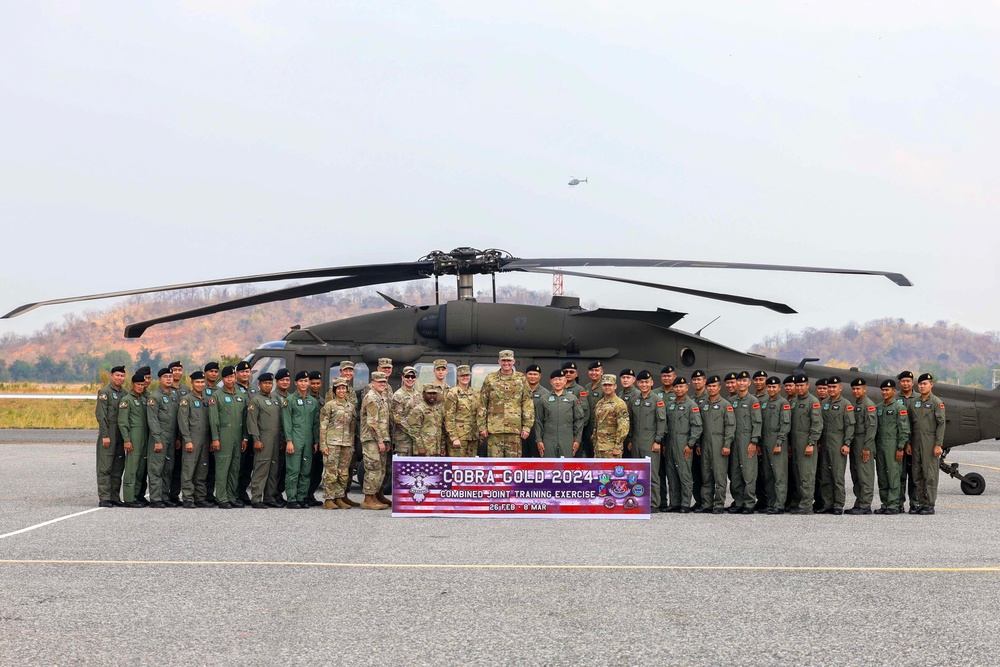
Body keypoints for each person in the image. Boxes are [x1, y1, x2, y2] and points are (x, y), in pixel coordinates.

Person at [479, 350, 534, 458]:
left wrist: (527, 427)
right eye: (503, 360)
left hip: (514, 431)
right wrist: (482, 426)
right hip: (494, 430)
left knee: (513, 466)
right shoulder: (490, 378)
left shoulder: (521, 378)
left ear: (513, 361)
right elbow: (482, 403)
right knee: (495, 466)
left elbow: (527, 403)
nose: (506, 363)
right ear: (499, 361)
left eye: (509, 361)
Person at [209, 365, 249, 509]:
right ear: (223, 379)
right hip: (223, 436)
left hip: (238, 437)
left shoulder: (241, 396)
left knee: (234, 467)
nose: (230, 380)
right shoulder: (217, 397)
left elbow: (245, 419)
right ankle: (222, 497)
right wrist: (215, 438)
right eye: (227, 377)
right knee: (222, 467)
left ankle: (232, 496)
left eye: (232, 377)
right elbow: (213, 420)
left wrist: (245, 437)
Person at [626, 370, 667, 511]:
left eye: (646, 382)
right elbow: (631, 422)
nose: (644, 384)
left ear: (651, 383)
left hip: (650, 441)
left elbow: (661, 422)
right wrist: (630, 439)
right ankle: (637, 501)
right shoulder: (634, 400)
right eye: (641, 382)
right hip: (636, 440)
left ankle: (654, 503)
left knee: (652, 474)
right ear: (638, 383)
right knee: (635, 474)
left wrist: (658, 441)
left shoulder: (657, 400)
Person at [280, 371, 320, 509]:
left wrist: (316, 441)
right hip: (295, 439)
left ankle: (301, 497)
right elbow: (286, 423)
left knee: (306, 470)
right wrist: (289, 441)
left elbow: (315, 424)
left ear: (309, 383)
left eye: (306, 381)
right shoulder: (289, 400)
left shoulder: (313, 402)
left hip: (308, 440)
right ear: (296, 383)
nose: (303, 383)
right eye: (301, 381)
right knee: (293, 469)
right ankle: (291, 498)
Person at [696, 375, 735, 514]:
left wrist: (727, 444)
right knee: (706, 474)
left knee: (719, 475)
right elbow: (699, 426)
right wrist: (699, 444)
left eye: (714, 386)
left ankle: (718, 504)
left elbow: (730, 426)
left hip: (719, 443)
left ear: (719, 387)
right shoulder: (703, 405)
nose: (711, 389)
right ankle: (707, 504)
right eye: (709, 386)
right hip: (705, 443)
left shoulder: (725, 405)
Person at [909, 373, 946, 515]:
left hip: (930, 442)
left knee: (929, 474)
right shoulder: (914, 403)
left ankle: (929, 504)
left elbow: (941, 424)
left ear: (931, 385)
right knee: (917, 473)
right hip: (916, 441)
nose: (922, 386)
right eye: (920, 384)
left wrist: (938, 444)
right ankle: (920, 502)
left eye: (925, 384)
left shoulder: (937, 402)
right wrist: (908, 443)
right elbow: (910, 424)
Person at [817, 376, 855, 515]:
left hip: (838, 443)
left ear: (840, 388)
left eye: (834, 387)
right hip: (825, 443)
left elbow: (850, 426)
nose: (831, 389)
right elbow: (819, 424)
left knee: (837, 475)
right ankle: (828, 504)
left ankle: (838, 504)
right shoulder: (824, 403)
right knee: (825, 475)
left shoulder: (846, 404)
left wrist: (847, 443)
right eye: (830, 387)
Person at [664, 377, 703, 512]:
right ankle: (674, 502)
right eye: (676, 387)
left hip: (684, 443)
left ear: (687, 388)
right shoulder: (670, 405)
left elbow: (697, 427)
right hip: (670, 443)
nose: (678, 389)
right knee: (672, 474)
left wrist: (690, 444)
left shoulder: (691, 406)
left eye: (681, 387)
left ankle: (685, 503)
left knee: (684, 474)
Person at [319, 377, 357, 510]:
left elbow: (352, 428)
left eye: (344, 388)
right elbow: (323, 426)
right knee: (331, 472)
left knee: (343, 472)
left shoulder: (351, 407)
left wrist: (351, 445)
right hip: (332, 443)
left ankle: (339, 497)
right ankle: (329, 499)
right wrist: (323, 445)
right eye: (339, 388)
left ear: (347, 390)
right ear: (335, 390)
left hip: (346, 444)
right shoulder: (329, 405)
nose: (341, 391)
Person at [246, 372, 283, 508]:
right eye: (265, 383)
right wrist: (256, 439)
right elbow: (252, 422)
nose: (268, 385)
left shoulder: (275, 399)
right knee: (261, 468)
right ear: (259, 384)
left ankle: (269, 497)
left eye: (270, 383)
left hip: (275, 439)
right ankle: (256, 498)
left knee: (273, 469)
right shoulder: (256, 400)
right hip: (263, 438)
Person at [788, 374, 823, 514]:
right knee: (797, 474)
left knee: (807, 474)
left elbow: (817, 425)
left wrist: (811, 443)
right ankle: (798, 501)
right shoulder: (794, 401)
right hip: (795, 443)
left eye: (802, 385)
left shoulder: (813, 401)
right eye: (797, 385)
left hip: (806, 443)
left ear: (807, 385)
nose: (799, 387)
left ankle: (807, 504)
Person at [727, 371, 762, 514]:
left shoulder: (753, 401)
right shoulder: (731, 401)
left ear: (749, 383)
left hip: (747, 440)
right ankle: (739, 501)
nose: (741, 383)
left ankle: (749, 503)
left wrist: (754, 442)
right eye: (739, 381)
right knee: (735, 474)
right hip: (734, 440)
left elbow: (757, 422)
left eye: (744, 381)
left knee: (748, 473)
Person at [146, 368, 180, 508]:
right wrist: (158, 440)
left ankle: (165, 496)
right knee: (156, 468)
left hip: (172, 437)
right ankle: (155, 498)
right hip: (160, 437)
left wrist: (177, 437)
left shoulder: (174, 395)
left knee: (168, 468)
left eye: (170, 376)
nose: (168, 379)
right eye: (165, 376)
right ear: (159, 379)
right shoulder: (155, 397)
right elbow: (153, 420)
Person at [178, 371, 213, 508]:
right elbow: (183, 421)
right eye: (197, 382)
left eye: (202, 382)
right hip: (192, 439)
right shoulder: (187, 400)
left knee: (202, 469)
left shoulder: (206, 400)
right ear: (191, 383)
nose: (200, 384)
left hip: (204, 439)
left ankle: (200, 497)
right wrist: (187, 439)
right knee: (189, 468)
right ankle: (187, 497)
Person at [874, 379, 909, 514]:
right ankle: (885, 503)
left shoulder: (900, 408)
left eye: (887, 390)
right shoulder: (879, 408)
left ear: (894, 391)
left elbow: (904, 430)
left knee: (893, 475)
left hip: (893, 446)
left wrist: (900, 447)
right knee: (882, 475)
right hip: (880, 445)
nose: (884, 392)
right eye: (883, 390)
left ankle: (894, 505)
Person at [95, 365, 128, 507]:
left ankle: (114, 497)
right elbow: (101, 415)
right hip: (109, 432)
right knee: (105, 466)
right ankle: (104, 497)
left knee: (118, 467)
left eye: (122, 376)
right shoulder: (105, 392)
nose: (119, 378)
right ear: (111, 376)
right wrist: (105, 434)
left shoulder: (125, 394)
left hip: (121, 434)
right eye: (117, 375)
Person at [534, 369, 585, 458]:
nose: (558, 382)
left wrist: (577, 439)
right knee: (549, 466)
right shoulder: (544, 399)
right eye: (555, 379)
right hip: (548, 439)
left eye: (561, 379)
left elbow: (579, 420)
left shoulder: (572, 399)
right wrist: (539, 440)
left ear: (565, 381)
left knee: (566, 466)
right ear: (551, 382)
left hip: (567, 439)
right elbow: (538, 421)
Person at [360, 371, 392, 509]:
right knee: (373, 468)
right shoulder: (371, 398)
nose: (382, 384)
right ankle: (368, 499)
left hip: (380, 439)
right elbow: (373, 423)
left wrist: (386, 440)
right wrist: (380, 441)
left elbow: (383, 421)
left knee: (381, 469)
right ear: (373, 383)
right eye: (379, 382)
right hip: (371, 439)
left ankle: (377, 495)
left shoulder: (381, 397)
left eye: (384, 382)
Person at [759, 376, 791, 514]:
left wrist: (779, 442)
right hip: (765, 441)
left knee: (779, 474)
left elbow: (785, 424)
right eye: (769, 387)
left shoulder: (783, 403)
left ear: (779, 388)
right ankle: (771, 503)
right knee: (768, 474)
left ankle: (780, 504)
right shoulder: (765, 403)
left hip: (777, 441)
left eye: (774, 387)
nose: (771, 389)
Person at [118, 371, 149, 508]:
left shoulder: (143, 399)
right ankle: (129, 498)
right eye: (138, 384)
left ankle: (137, 496)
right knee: (131, 468)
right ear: (132, 384)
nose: (140, 387)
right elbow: (122, 422)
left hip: (144, 438)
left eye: (142, 384)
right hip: (133, 438)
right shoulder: (127, 400)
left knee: (140, 469)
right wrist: (127, 440)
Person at [847, 378, 877, 515]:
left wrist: (867, 447)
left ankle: (865, 505)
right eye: (853, 389)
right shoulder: (855, 404)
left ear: (865, 389)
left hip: (864, 442)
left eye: (858, 388)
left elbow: (871, 428)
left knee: (865, 474)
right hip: (855, 442)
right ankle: (859, 502)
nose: (855, 391)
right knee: (856, 474)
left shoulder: (868, 405)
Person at [444, 365, 483, 457]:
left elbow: (479, 414)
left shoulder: (475, 394)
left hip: (473, 437)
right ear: (458, 377)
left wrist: (479, 436)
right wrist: (454, 438)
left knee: (470, 466)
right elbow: (449, 417)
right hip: (459, 436)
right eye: (462, 376)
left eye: (467, 375)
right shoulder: (453, 393)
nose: (465, 377)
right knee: (457, 466)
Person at [592, 374, 629, 459]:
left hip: (612, 448)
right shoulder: (599, 403)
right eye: (605, 385)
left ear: (615, 386)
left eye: (610, 385)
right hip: (599, 447)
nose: (607, 387)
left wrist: (618, 446)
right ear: (602, 386)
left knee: (611, 472)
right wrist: (595, 443)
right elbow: (596, 425)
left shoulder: (620, 404)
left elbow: (624, 426)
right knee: (598, 472)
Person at [896, 370, 919, 512]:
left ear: (912, 382)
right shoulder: (895, 398)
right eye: (903, 381)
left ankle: (915, 503)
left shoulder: (918, 398)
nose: (905, 383)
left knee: (915, 474)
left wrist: (909, 443)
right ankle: (898, 503)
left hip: (915, 442)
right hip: (898, 442)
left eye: (908, 381)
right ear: (899, 383)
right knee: (900, 474)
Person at [304, 370, 326, 507]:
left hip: (320, 439)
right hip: (309, 439)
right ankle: (304, 495)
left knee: (318, 470)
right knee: (308, 470)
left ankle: (310, 494)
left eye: (318, 383)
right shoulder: (306, 399)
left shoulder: (322, 401)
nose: (315, 386)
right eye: (312, 383)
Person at [405, 384, 447, 456]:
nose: (432, 396)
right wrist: (420, 447)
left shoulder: (438, 409)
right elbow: (414, 430)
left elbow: (441, 429)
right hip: (424, 450)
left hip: (437, 449)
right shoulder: (418, 409)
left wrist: (442, 446)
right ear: (423, 394)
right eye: (429, 393)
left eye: (434, 393)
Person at [561, 361, 591, 457]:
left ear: (576, 374)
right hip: (559, 430)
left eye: (571, 372)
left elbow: (584, 412)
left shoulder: (580, 390)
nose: (568, 374)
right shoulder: (557, 388)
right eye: (565, 372)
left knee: (574, 457)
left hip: (574, 431)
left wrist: (578, 430)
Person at [689, 369, 708, 508]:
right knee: (695, 474)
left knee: (706, 474)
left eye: (699, 379)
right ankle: (699, 501)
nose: (696, 382)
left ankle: (707, 501)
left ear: (704, 381)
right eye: (694, 380)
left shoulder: (710, 398)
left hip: (707, 441)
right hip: (694, 442)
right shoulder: (691, 399)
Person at [391, 366, 420, 456]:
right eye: (407, 376)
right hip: (403, 440)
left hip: (416, 440)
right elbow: (398, 419)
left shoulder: (418, 395)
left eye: (412, 377)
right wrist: (412, 432)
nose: (410, 379)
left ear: (416, 379)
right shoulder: (398, 395)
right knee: (402, 467)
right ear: (403, 378)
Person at [522, 364, 549, 457]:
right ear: (526, 375)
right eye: (530, 374)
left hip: (537, 431)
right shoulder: (520, 390)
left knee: (538, 457)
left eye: (535, 374)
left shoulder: (545, 394)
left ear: (540, 376)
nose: (532, 377)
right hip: (522, 430)